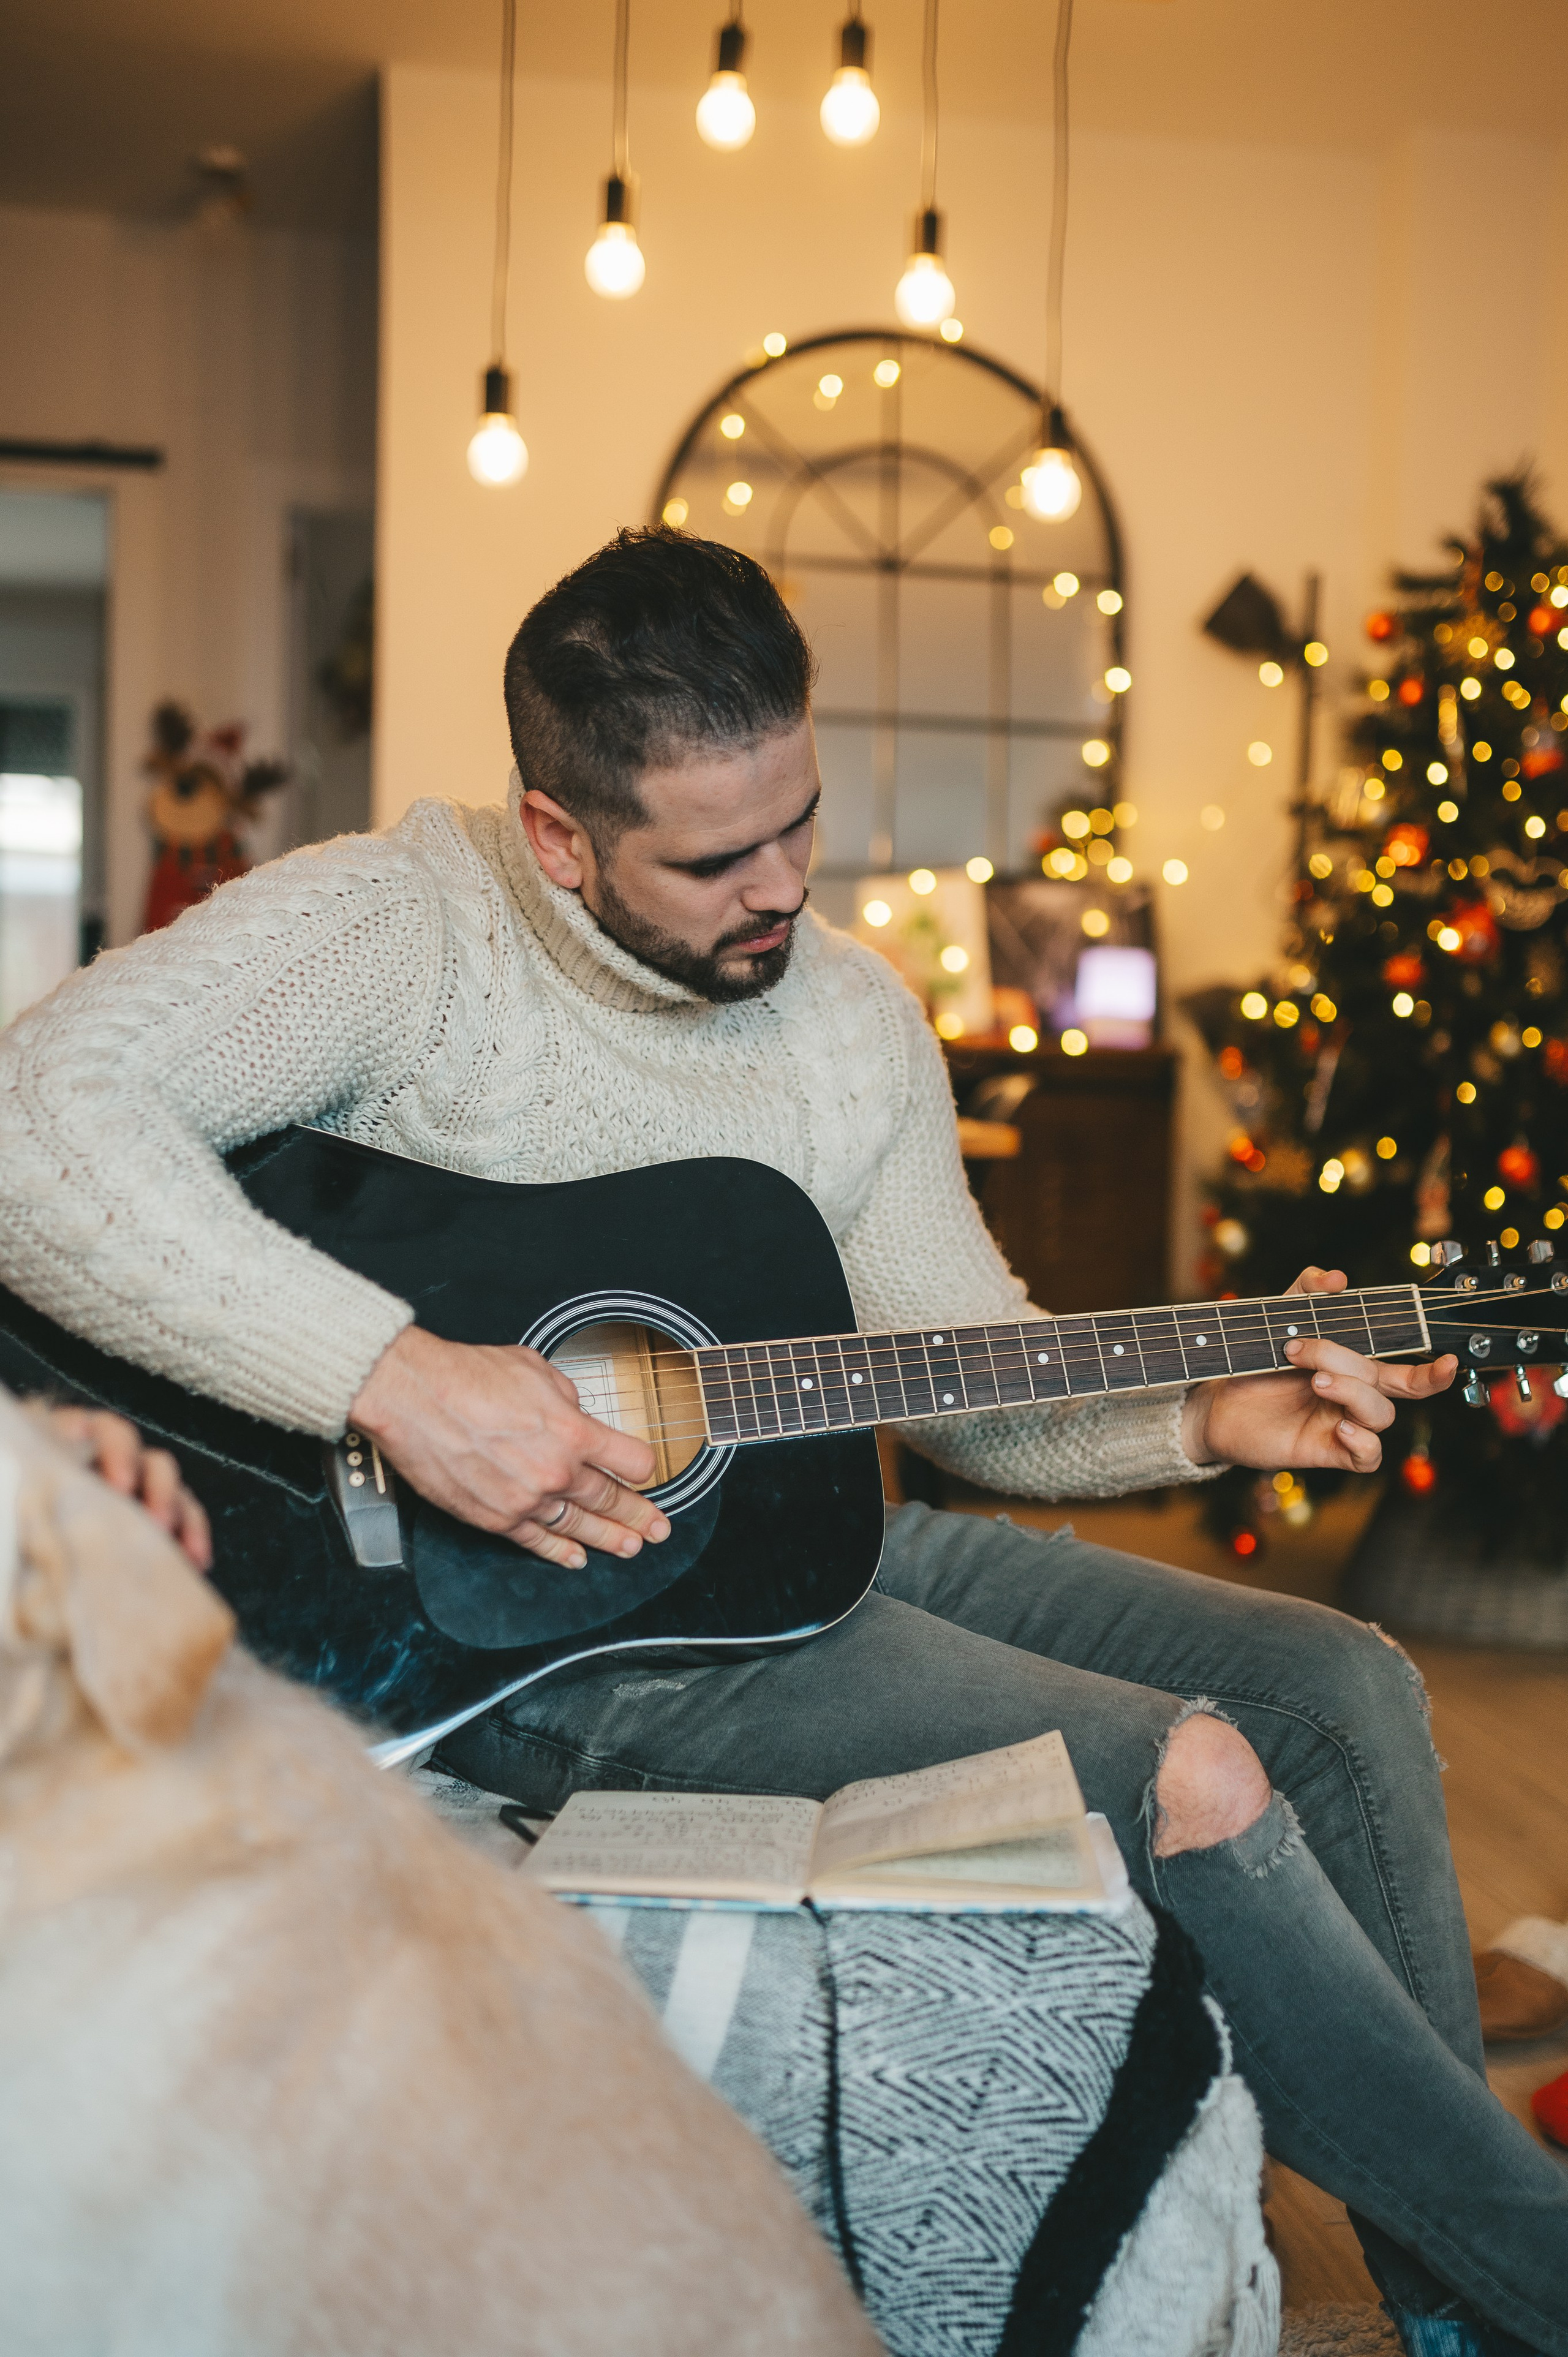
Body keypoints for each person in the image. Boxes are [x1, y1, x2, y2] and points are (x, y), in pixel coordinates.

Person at [0, 529, 1560, 2357]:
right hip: (526, 1620)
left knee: (1341, 1690)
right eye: (715, 856)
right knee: (1194, 1770)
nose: (783, 888)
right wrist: (398, 1378)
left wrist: (1210, 1412)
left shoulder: (844, 1016)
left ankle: (1477, 2316)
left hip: (798, 1542)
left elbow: (967, 1382)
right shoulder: (399, 931)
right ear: (562, 835)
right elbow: (38, 1121)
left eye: (800, 820)